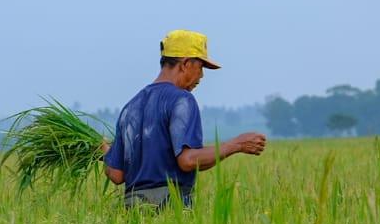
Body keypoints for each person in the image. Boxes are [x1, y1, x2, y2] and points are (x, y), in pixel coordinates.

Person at [101, 30, 267, 208]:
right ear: (186, 64)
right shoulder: (182, 100)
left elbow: (116, 175)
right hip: (170, 207)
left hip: (132, 210)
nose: (201, 76)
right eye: (201, 67)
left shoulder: (130, 107)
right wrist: (237, 144)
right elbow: (188, 160)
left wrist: (102, 150)